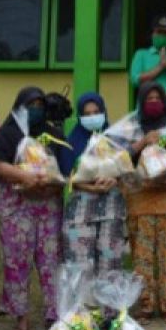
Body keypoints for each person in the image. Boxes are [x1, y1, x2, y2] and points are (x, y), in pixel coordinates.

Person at [0, 87, 65, 330]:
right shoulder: (7, 134)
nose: (36, 110)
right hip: (17, 207)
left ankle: (54, 313)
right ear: (18, 107)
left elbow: (65, 167)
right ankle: (20, 317)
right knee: (17, 260)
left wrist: (50, 178)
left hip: (48, 206)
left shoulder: (51, 134)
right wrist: (23, 175)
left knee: (51, 259)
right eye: (30, 104)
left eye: (40, 105)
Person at [126, 81, 166, 320]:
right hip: (140, 201)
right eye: (148, 99)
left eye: (158, 98)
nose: (153, 103)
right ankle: (145, 305)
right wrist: (143, 143)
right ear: (141, 102)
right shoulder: (131, 128)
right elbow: (120, 158)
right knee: (142, 257)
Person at [61, 92, 127, 276]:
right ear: (80, 116)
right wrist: (89, 187)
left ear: (104, 112)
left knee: (110, 262)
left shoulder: (115, 139)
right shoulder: (72, 141)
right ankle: (83, 304)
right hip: (81, 211)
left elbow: (127, 169)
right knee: (80, 263)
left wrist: (115, 178)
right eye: (87, 114)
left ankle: (109, 304)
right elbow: (67, 175)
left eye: (96, 112)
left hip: (111, 209)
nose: (92, 117)